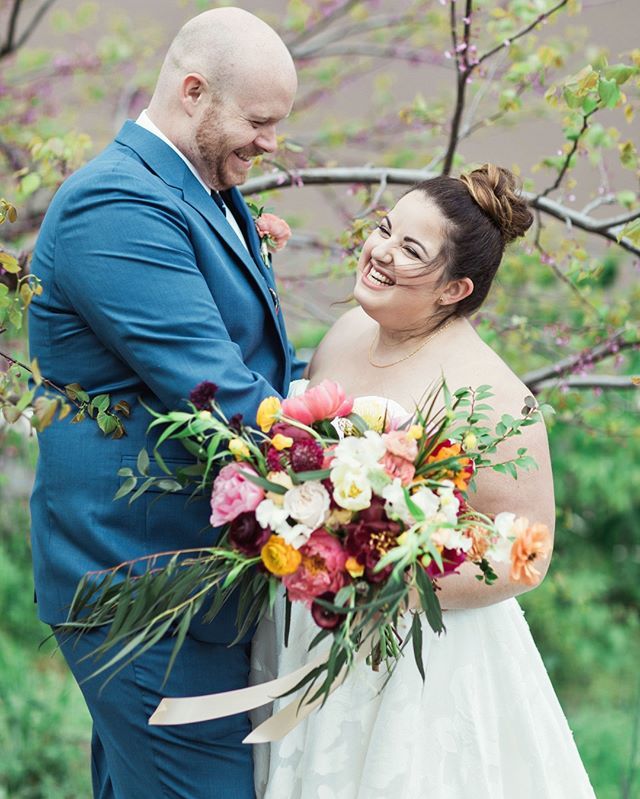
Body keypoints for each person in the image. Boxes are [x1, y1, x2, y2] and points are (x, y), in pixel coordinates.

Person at [28, 8, 304, 799]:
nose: (270, 144)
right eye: (259, 122)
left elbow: (259, 363)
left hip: (195, 589)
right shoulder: (114, 205)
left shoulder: (202, 189)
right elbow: (218, 390)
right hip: (139, 587)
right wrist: (368, 462)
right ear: (194, 92)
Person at [255, 165, 596, 797]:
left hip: (419, 653)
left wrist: (389, 582)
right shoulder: (348, 332)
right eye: (385, 229)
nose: (380, 250)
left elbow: (527, 555)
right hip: (311, 625)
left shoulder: (496, 398)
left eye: (410, 250)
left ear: (454, 288)